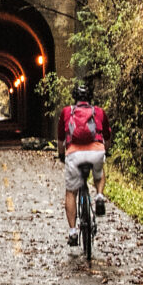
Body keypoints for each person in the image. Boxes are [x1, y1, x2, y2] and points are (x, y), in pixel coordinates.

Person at [57, 82, 111, 246]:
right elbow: (107, 137)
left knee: (71, 192)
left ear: (74, 97)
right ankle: (100, 195)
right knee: (99, 172)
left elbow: (60, 138)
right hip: (96, 151)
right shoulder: (99, 112)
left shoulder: (67, 112)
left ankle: (73, 232)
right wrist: (105, 151)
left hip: (74, 153)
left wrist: (61, 154)